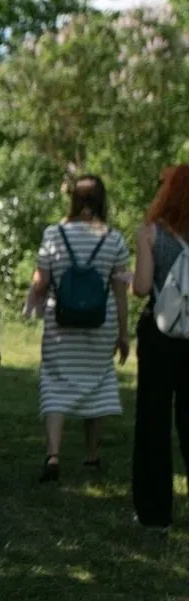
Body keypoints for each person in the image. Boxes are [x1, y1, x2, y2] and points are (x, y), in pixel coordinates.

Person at [28, 176, 130, 483]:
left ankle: (53, 454)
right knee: (97, 382)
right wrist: (123, 333)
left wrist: (33, 299)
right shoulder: (114, 238)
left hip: (60, 323)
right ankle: (92, 454)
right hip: (101, 323)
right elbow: (121, 292)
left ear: (73, 199)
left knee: (55, 381)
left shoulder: (54, 234)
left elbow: (41, 281)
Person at [130, 164, 189, 530]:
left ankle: (154, 513)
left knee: (153, 421)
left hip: (159, 336)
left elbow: (140, 287)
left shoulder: (151, 233)